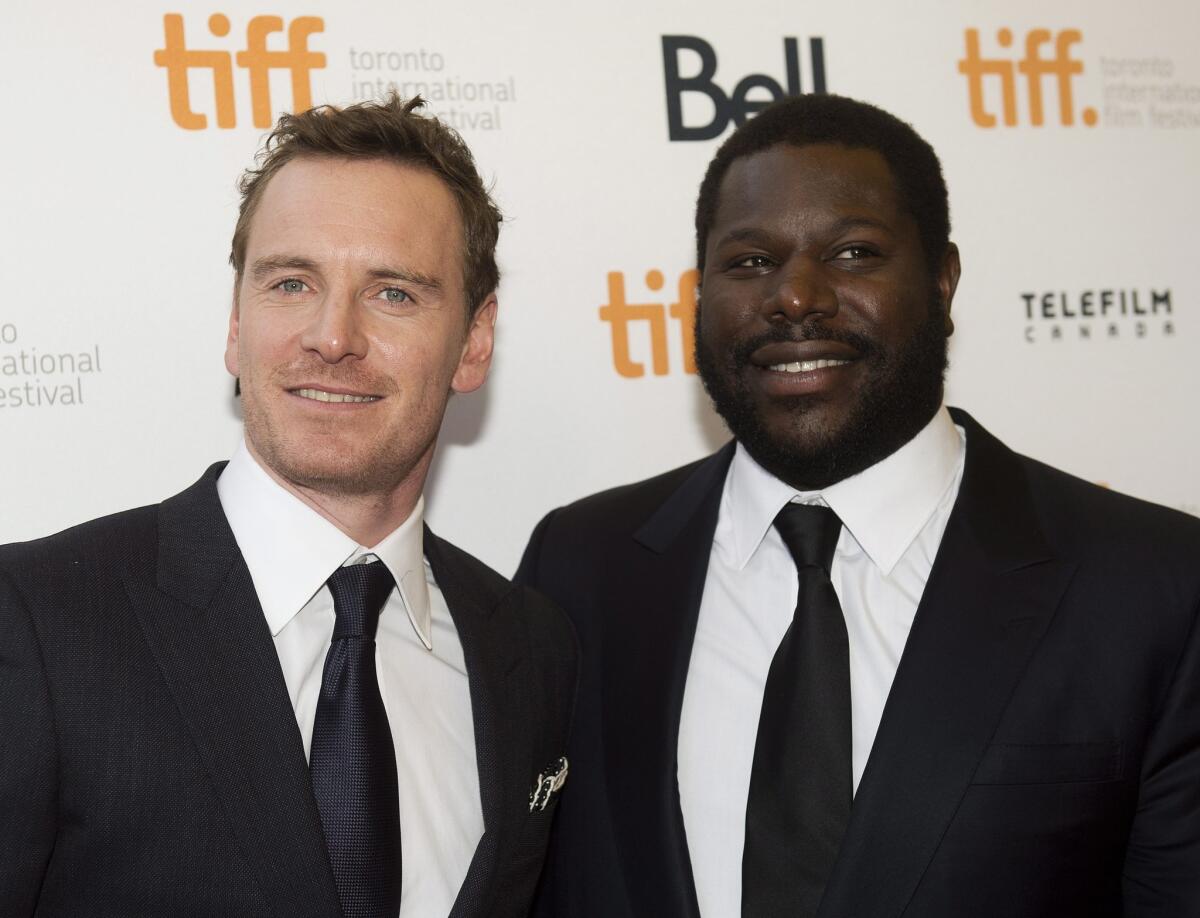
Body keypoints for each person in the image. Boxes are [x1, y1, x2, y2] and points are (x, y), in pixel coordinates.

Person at [518, 93, 1200, 917]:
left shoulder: (1152, 586)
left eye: (850, 253)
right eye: (750, 262)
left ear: (943, 280)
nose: (796, 297)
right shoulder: (582, 565)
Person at [0, 95, 575, 918]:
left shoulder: (530, 646)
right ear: (236, 322)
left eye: (394, 294)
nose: (332, 337)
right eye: (292, 282)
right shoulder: (35, 622)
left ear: (474, 342)